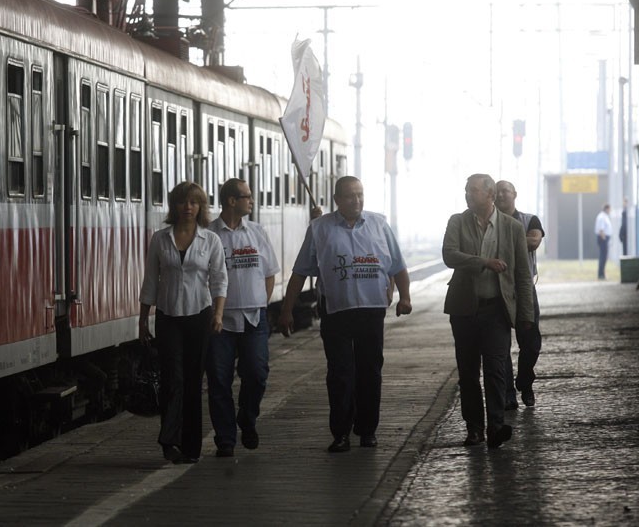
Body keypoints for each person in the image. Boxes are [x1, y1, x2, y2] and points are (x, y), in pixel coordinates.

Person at [277, 176, 412, 453]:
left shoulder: (378, 224)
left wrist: (405, 297)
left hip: (371, 311)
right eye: (350, 196)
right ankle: (340, 433)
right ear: (337, 200)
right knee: (340, 373)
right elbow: (300, 271)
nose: (357, 201)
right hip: (336, 311)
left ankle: (367, 430)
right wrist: (286, 309)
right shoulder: (320, 229)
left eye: (360, 195)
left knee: (370, 372)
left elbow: (397, 266)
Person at [442, 174, 534, 449]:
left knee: (496, 369)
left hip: (496, 310)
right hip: (464, 310)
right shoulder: (457, 221)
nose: (467, 195)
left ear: (489, 194)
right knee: (468, 373)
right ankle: (474, 428)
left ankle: (496, 426)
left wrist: (526, 314)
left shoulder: (512, 227)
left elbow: (522, 274)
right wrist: (484, 262)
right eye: (466, 190)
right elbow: (449, 255)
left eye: (472, 191)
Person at [139, 181, 228, 464]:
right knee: (172, 379)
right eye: (182, 202)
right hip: (168, 316)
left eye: (193, 202)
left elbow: (219, 279)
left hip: (199, 315)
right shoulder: (160, 239)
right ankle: (169, 441)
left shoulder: (210, 240)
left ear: (200, 206)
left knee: (192, 381)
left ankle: (191, 447)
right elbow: (151, 280)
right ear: (174, 206)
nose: (187, 207)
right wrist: (143, 319)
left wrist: (217, 314)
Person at [206, 178, 280, 458]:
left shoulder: (257, 232)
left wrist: (262, 302)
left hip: (254, 318)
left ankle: (247, 419)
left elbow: (270, 272)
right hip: (220, 321)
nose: (252, 201)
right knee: (219, 381)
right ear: (231, 201)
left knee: (257, 374)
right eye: (247, 197)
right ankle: (225, 439)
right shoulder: (211, 234)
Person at [495, 180, 544, 409]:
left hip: (524, 287)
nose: (502, 195)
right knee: (500, 346)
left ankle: (525, 380)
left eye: (506, 191)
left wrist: (505, 242)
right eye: (497, 192)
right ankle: (507, 395)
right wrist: (517, 243)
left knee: (531, 342)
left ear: (515, 194)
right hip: (497, 288)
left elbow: (534, 241)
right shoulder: (490, 222)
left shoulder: (529, 219)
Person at [594, 203, 612, 280]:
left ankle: (602, 274)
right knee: (603, 257)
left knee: (604, 257)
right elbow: (601, 230)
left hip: (604, 238)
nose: (610, 211)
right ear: (607, 209)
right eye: (609, 209)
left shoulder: (604, 216)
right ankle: (601, 274)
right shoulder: (602, 217)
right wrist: (604, 239)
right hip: (603, 238)